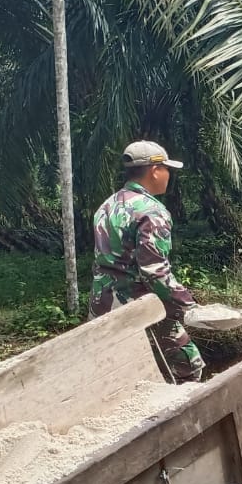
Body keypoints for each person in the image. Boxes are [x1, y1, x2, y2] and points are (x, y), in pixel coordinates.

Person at [90, 140, 205, 382]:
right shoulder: (152, 211)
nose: (168, 176)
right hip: (139, 306)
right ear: (155, 171)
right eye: (167, 170)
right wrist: (189, 306)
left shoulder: (106, 206)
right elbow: (155, 272)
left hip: (102, 305)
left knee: (116, 374)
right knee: (188, 365)